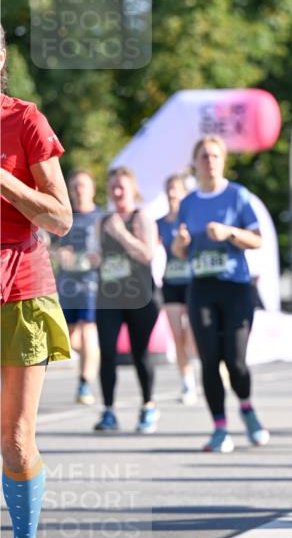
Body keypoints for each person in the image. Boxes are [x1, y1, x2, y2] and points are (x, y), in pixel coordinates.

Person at [0, 24, 72, 538]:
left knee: (16, 438)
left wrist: (2, 179)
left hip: (21, 292)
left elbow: (61, 217)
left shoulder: (25, 121)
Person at [172, 136, 268, 453]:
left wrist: (229, 233)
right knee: (209, 359)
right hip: (201, 287)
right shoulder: (188, 202)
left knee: (235, 360)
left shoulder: (237, 195)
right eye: (204, 156)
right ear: (195, 162)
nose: (210, 161)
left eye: (215, 156)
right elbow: (180, 251)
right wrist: (181, 243)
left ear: (223, 160)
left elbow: (257, 240)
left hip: (235, 287)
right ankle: (219, 428)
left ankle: (247, 408)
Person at [94, 167, 160, 433]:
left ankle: (148, 406)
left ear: (133, 189)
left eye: (122, 187)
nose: (117, 192)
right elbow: (96, 256)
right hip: (109, 296)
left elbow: (147, 254)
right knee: (107, 352)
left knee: (139, 353)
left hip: (140, 297)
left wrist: (121, 234)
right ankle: (108, 411)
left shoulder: (141, 218)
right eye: (113, 187)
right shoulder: (103, 221)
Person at [52, 169, 101, 405]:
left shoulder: (101, 218)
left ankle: (84, 384)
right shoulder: (64, 217)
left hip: (92, 283)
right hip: (67, 285)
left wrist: (99, 256)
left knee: (88, 329)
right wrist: (58, 253)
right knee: (71, 340)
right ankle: (94, 355)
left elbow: (113, 249)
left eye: (83, 185)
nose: (78, 190)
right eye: (74, 186)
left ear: (92, 189)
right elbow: (49, 245)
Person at [157, 173, 198, 404]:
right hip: (170, 283)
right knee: (177, 337)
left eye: (176, 189)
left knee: (193, 338)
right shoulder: (159, 223)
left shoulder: (191, 221)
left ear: (184, 193)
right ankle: (187, 383)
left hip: (192, 282)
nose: (172, 193)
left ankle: (215, 369)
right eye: (169, 189)